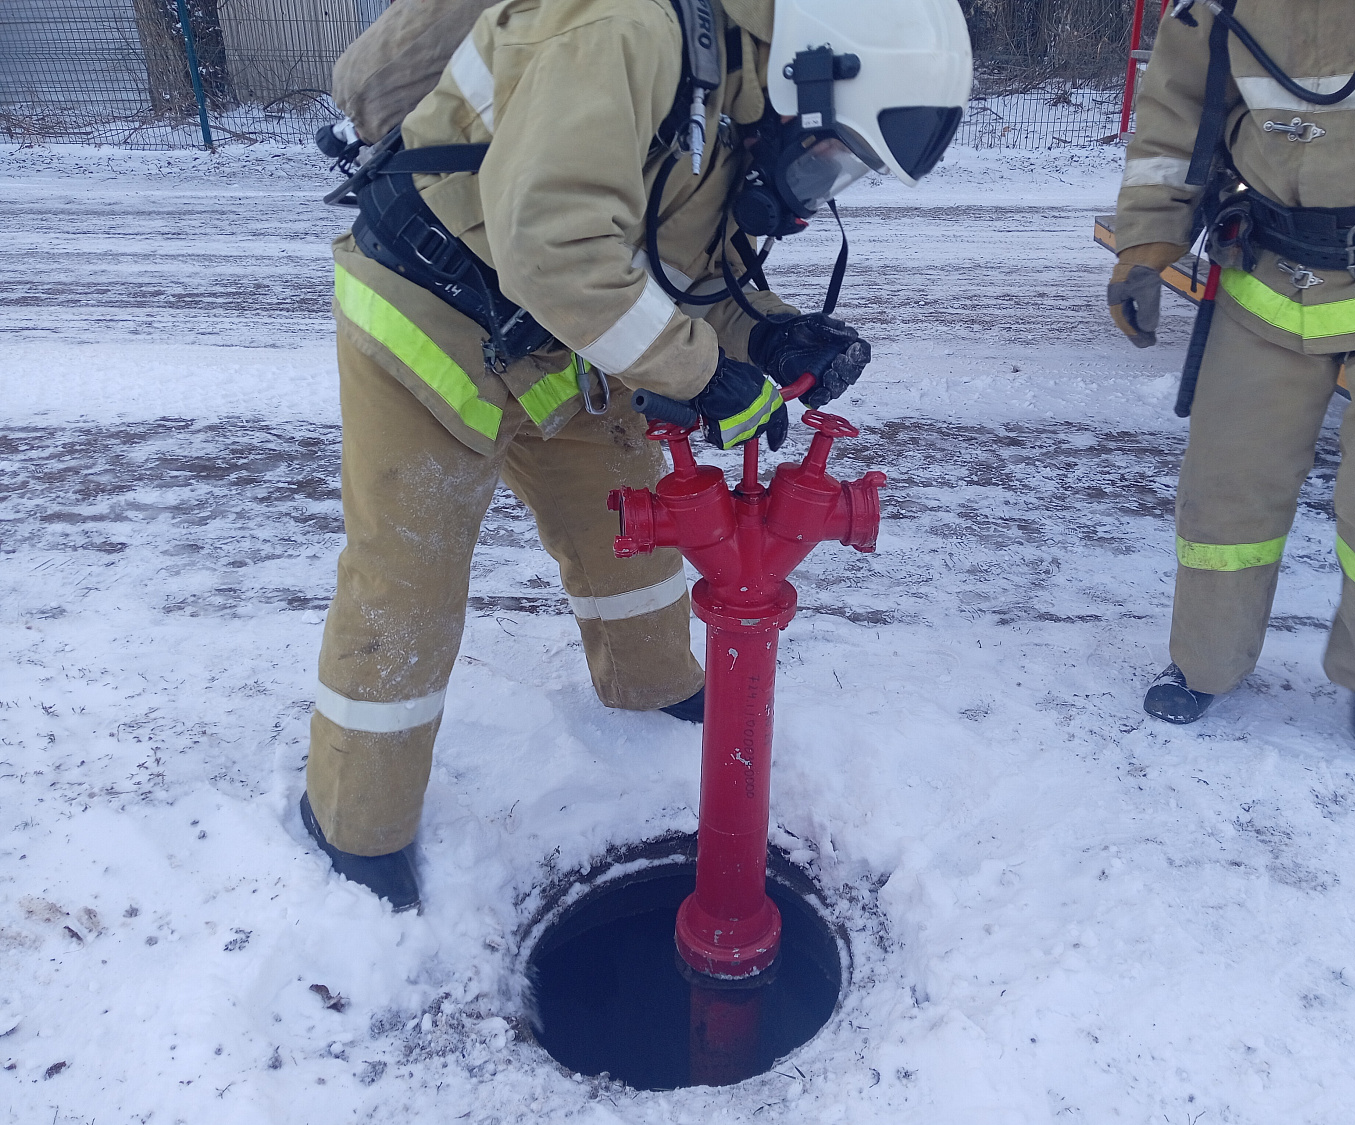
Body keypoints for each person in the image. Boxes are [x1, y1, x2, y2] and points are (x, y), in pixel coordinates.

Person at [303, 0, 973, 910]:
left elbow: (678, 265)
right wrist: (705, 375)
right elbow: (556, 250)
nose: (819, 184)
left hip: (561, 333)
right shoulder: (625, 32)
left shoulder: (731, 90)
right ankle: (355, 819)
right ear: (806, 78)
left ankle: (649, 682)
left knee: (620, 513)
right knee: (408, 577)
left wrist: (770, 336)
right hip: (431, 308)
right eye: (830, 155)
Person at [1108, 0, 1355, 752]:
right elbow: (1179, 103)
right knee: (1227, 490)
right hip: (1270, 277)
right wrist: (1149, 238)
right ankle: (1206, 662)